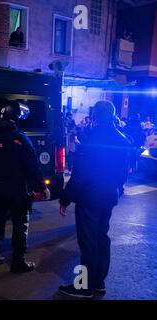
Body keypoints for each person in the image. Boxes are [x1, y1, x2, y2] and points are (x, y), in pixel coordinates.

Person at [58, 101, 131, 299]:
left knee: (88, 242)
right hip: (109, 195)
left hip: (90, 197)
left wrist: (65, 198)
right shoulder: (123, 139)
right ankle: (98, 282)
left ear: (96, 115)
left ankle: (84, 286)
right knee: (101, 237)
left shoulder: (92, 140)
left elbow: (80, 174)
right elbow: (124, 173)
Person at [0, 101, 50, 273]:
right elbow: (32, 167)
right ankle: (18, 262)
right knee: (21, 226)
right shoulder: (20, 139)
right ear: (15, 118)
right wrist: (42, 187)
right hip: (18, 191)